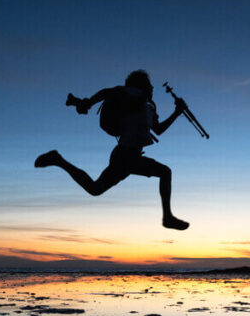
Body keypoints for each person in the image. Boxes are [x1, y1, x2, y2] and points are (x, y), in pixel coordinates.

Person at [35, 70, 190, 230]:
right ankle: (167, 217)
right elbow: (108, 92)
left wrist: (176, 113)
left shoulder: (147, 107)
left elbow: (158, 130)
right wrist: (88, 103)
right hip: (126, 156)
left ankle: (58, 160)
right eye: (150, 85)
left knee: (95, 189)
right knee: (164, 172)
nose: (152, 89)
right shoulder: (134, 94)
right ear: (142, 85)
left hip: (128, 156)